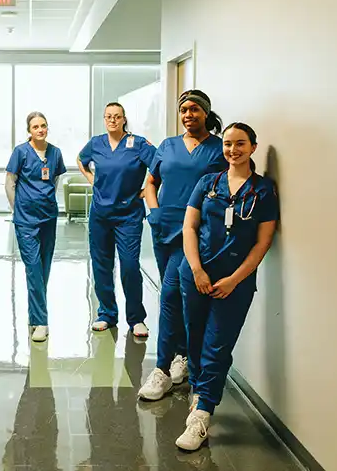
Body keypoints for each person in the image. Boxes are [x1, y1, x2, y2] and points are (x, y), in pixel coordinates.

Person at [175, 123, 280, 451]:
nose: (233, 150)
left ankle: (202, 415)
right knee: (194, 339)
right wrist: (196, 269)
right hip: (196, 275)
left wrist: (234, 280)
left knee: (217, 345)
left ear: (253, 147)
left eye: (240, 144)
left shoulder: (262, 191)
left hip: (234, 283)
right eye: (228, 144)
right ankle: (198, 392)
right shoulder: (208, 183)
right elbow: (189, 227)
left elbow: (263, 243)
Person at [138, 90, 228, 401]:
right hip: (163, 229)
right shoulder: (167, 146)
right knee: (175, 296)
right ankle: (182, 356)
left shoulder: (218, 149)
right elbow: (151, 182)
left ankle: (163, 368)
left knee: (172, 293)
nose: (188, 115)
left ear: (206, 113)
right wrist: (154, 211)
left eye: (194, 110)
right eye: (184, 110)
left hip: (195, 234)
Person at [77, 102, 156, 338]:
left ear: (124, 119)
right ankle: (107, 314)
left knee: (130, 266)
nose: (112, 120)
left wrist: (146, 189)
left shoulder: (138, 143)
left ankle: (136, 318)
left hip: (128, 214)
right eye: (108, 116)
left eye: (117, 116)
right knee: (101, 265)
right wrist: (92, 180)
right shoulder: (96, 143)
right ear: (104, 119)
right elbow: (81, 160)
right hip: (100, 214)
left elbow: (159, 165)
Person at [5, 112, 67, 343]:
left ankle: (34, 316)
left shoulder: (55, 152)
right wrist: (17, 209)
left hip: (48, 216)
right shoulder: (21, 152)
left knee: (44, 267)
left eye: (43, 126)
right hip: (26, 219)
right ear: (29, 130)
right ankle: (42, 322)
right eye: (35, 127)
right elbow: (10, 183)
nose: (40, 130)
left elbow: (55, 181)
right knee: (33, 268)